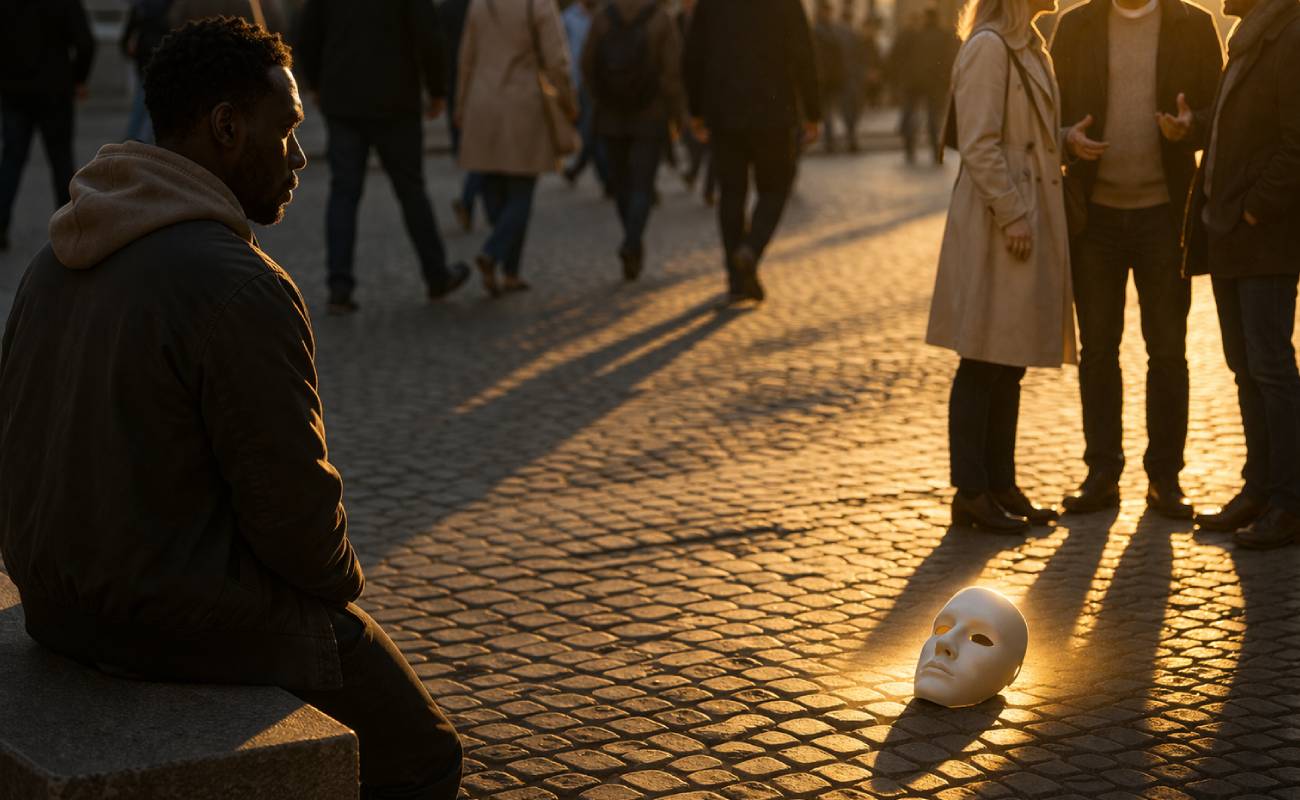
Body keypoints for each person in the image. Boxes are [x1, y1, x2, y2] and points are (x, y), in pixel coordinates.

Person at [0, 18, 462, 798]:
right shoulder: (240, 284)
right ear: (225, 127)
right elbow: (298, 524)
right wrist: (340, 596)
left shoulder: (53, 258)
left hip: (51, 600)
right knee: (427, 753)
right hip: (163, 617)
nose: (298, 157)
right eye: (284, 130)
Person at [926, 0, 1100, 532]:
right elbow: (979, 145)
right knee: (982, 356)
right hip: (1000, 225)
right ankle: (972, 490)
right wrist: (1013, 213)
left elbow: (1022, 131)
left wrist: (1063, 137)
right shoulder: (988, 48)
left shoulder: (1027, 45)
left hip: (1021, 219)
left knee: (1009, 358)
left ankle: (1000, 483)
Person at [1050, 0, 1222, 518]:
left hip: (1164, 217)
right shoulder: (1074, 27)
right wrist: (1067, 140)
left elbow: (1220, 114)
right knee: (1098, 351)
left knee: (1168, 352)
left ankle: (1165, 479)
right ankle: (1102, 472)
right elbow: (1049, 114)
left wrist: (1191, 126)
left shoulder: (1194, 24)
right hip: (1094, 219)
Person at [1160, 0, 1300, 547]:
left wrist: (1254, 206)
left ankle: (1289, 502)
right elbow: (1238, 130)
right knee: (1244, 366)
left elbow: (1296, 143)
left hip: (1261, 234)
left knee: (1270, 368)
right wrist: (1192, 125)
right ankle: (1259, 489)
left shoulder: (1289, 34)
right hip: (1229, 233)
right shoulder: (1249, 36)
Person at [297, 0, 469, 314]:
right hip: (396, 97)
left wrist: (317, 84)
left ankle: (339, 287)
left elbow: (307, 34)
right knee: (411, 190)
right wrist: (438, 89)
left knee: (344, 194)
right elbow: (428, 33)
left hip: (343, 97)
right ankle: (436, 275)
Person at [683, 0, 822, 307]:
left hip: (724, 111)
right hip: (774, 111)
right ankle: (751, 249)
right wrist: (813, 112)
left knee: (731, 193)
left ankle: (736, 279)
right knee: (775, 189)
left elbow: (693, 54)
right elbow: (803, 52)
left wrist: (695, 110)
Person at [457, 0, 576, 297]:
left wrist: (460, 103)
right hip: (523, 102)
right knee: (521, 192)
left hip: (481, 101)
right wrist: (567, 100)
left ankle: (510, 272)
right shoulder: (539, 4)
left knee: (495, 187)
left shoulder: (479, 4)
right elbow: (557, 61)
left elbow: (466, 58)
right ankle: (494, 253)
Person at [582, 0, 684, 281]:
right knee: (642, 185)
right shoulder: (661, 19)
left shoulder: (603, 17)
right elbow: (673, 73)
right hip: (649, 116)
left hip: (611, 117)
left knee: (621, 185)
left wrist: (601, 98)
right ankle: (632, 241)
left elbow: (587, 64)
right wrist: (676, 115)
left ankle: (631, 239)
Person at [0, 0, 94, 254]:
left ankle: (1, 225)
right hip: (55, 90)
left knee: (11, 160)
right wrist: (78, 78)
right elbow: (85, 43)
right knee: (61, 160)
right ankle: (69, 229)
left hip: (14, 91)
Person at [891, 8, 960, 164]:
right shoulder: (943, 36)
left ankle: (909, 150)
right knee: (934, 120)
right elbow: (950, 60)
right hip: (934, 85)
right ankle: (937, 152)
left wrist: (900, 80)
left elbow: (898, 59)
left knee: (912, 117)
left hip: (913, 84)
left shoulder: (913, 35)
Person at [439, 0, 483, 234]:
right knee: (486, 150)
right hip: (480, 81)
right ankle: (469, 200)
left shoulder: (446, 8)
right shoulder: (481, 6)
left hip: (454, 82)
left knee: (475, 149)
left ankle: (470, 201)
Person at [563, 0, 610, 191]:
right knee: (590, 131)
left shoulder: (604, 15)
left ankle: (580, 170)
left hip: (602, 84)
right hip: (580, 83)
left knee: (592, 132)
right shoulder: (568, 18)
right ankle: (607, 179)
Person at [120, 0, 174, 144]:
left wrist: (128, 47)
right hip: (163, 55)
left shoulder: (140, 7)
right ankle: (141, 140)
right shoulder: (170, 6)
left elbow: (128, 34)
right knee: (152, 103)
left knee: (141, 100)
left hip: (144, 56)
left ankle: (133, 138)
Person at [813, 0, 846, 153]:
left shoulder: (832, 30)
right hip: (825, 76)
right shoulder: (819, 31)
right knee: (827, 111)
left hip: (832, 77)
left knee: (829, 111)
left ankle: (830, 140)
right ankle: (829, 140)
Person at [838, 2, 868, 152]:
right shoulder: (852, 34)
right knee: (852, 110)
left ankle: (851, 137)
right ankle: (852, 138)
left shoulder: (838, 33)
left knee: (849, 110)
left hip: (846, 77)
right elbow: (861, 57)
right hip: (850, 78)